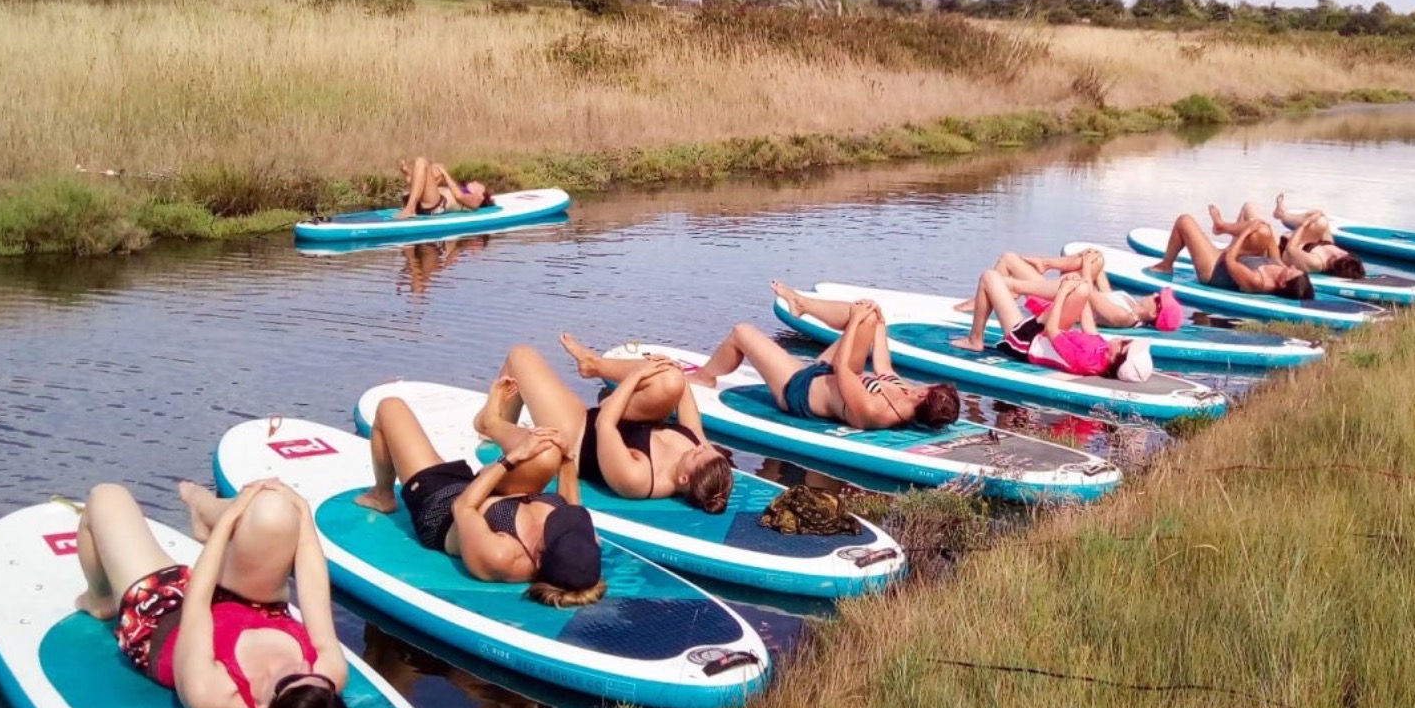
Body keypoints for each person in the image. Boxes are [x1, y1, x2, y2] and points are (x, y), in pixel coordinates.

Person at [70, 479, 364, 708]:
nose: (305, 664)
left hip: (166, 617)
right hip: (255, 603)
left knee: (106, 496)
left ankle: (99, 598)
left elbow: (196, 602)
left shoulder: (212, 695)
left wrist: (227, 523)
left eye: (292, 678)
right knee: (276, 509)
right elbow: (314, 592)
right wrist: (303, 513)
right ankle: (202, 506)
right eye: (318, 679)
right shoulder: (328, 676)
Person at [356, 345, 605, 607]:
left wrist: (510, 459)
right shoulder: (582, 548)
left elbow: (462, 506)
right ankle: (491, 423)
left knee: (389, 407)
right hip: (498, 493)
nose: (565, 521)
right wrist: (566, 459)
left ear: (541, 556)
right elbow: (571, 506)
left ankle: (382, 495)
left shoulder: (502, 557)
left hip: (445, 504)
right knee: (549, 449)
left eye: (557, 529)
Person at [470, 334, 737, 514]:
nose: (701, 446)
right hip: (607, 417)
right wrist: (669, 369)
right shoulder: (700, 451)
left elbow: (606, 420)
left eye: (699, 454)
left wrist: (636, 377)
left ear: (683, 478)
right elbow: (684, 398)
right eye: (705, 448)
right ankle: (593, 363)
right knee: (670, 379)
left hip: (577, 435)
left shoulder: (639, 478)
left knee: (521, 355)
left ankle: (490, 423)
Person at [693, 283, 961, 430]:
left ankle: (705, 377)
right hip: (826, 374)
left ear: (923, 396)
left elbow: (843, 367)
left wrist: (854, 322)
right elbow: (882, 364)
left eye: (928, 387)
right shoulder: (904, 393)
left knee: (741, 332)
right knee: (868, 314)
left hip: (798, 389)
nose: (922, 385)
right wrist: (877, 320)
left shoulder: (874, 411)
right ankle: (802, 304)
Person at [952, 271, 1156, 383]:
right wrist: (1082, 291)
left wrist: (1063, 292)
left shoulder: (1087, 361)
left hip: (1026, 341)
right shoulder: (1103, 351)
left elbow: (1052, 330)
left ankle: (975, 339)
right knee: (1081, 288)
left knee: (989, 277)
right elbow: (1089, 328)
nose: (1123, 339)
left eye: (1126, 344)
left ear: (1116, 358)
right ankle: (1015, 286)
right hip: (1042, 333)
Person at [956, 247, 1184, 331]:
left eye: (1158, 299)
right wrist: (1094, 261)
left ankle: (984, 302)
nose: (1155, 294)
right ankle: (1044, 264)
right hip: (1065, 293)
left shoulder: (1124, 316)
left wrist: (1086, 265)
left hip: (1058, 304)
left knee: (1007, 260)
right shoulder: (1130, 303)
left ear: (1155, 313)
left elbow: (1089, 293)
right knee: (1098, 258)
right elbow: (1101, 287)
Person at [1146, 209, 1316, 300]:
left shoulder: (1257, 281)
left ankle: (1166, 265)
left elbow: (1229, 260)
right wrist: (1266, 229)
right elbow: (1272, 246)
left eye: (1292, 271)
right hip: (1233, 257)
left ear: (1282, 283)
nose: (1291, 266)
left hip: (1215, 268)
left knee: (1184, 221)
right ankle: (1221, 227)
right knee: (1263, 231)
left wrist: (1246, 232)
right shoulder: (1281, 269)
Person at [1259, 194, 1368, 278]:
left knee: (1251, 209)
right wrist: (1316, 219)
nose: (1336, 253)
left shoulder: (1317, 263)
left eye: (1334, 258)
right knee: (1321, 219)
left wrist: (1303, 225)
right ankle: (1282, 215)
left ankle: (1281, 215)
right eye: (1341, 254)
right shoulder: (1344, 256)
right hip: (1298, 240)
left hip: (1279, 247)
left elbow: (1290, 249)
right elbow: (1325, 232)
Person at [394, 156, 490, 219]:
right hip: (426, 201)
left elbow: (459, 196)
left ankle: (410, 209)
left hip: (436, 205)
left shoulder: (478, 199)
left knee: (422, 162)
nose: (475, 182)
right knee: (436, 168)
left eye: (478, 185)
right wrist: (408, 174)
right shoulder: (462, 189)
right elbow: (420, 187)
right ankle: (410, 203)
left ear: (481, 194)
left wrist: (445, 173)